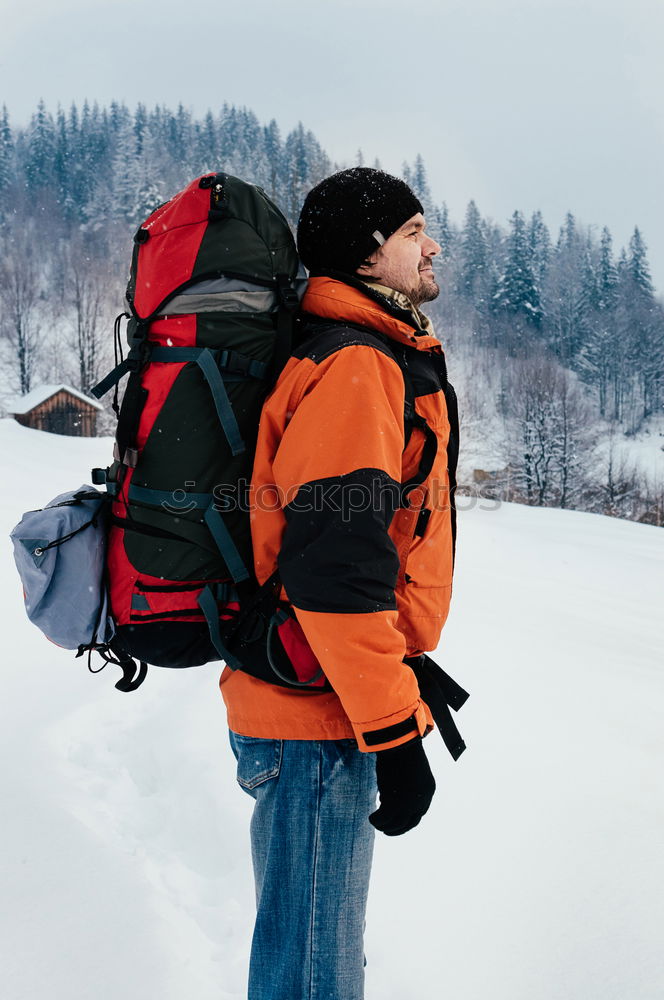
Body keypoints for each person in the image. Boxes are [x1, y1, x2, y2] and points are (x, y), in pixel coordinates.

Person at [220, 167, 464, 1000]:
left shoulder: (362, 354)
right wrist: (397, 736)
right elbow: (334, 570)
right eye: (411, 232)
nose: (432, 246)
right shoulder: (358, 367)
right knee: (310, 981)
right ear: (367, 257)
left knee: (307, 961)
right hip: (319, 719)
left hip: (321, 702)